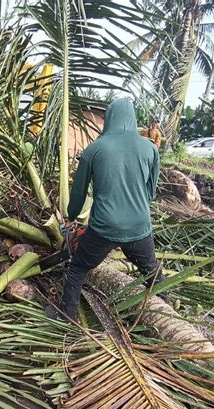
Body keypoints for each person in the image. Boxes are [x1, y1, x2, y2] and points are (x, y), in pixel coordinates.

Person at [48, 98, 165, 321]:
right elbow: (151, 192)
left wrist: (71, 217)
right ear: (132, 118)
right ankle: (167, 311)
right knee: (151, 272)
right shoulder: (150, 149)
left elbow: (79, 192)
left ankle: (67, 316)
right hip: (139, 226)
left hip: (104, 227)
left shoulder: (95, 149)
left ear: (109, 118)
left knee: (78, 269)